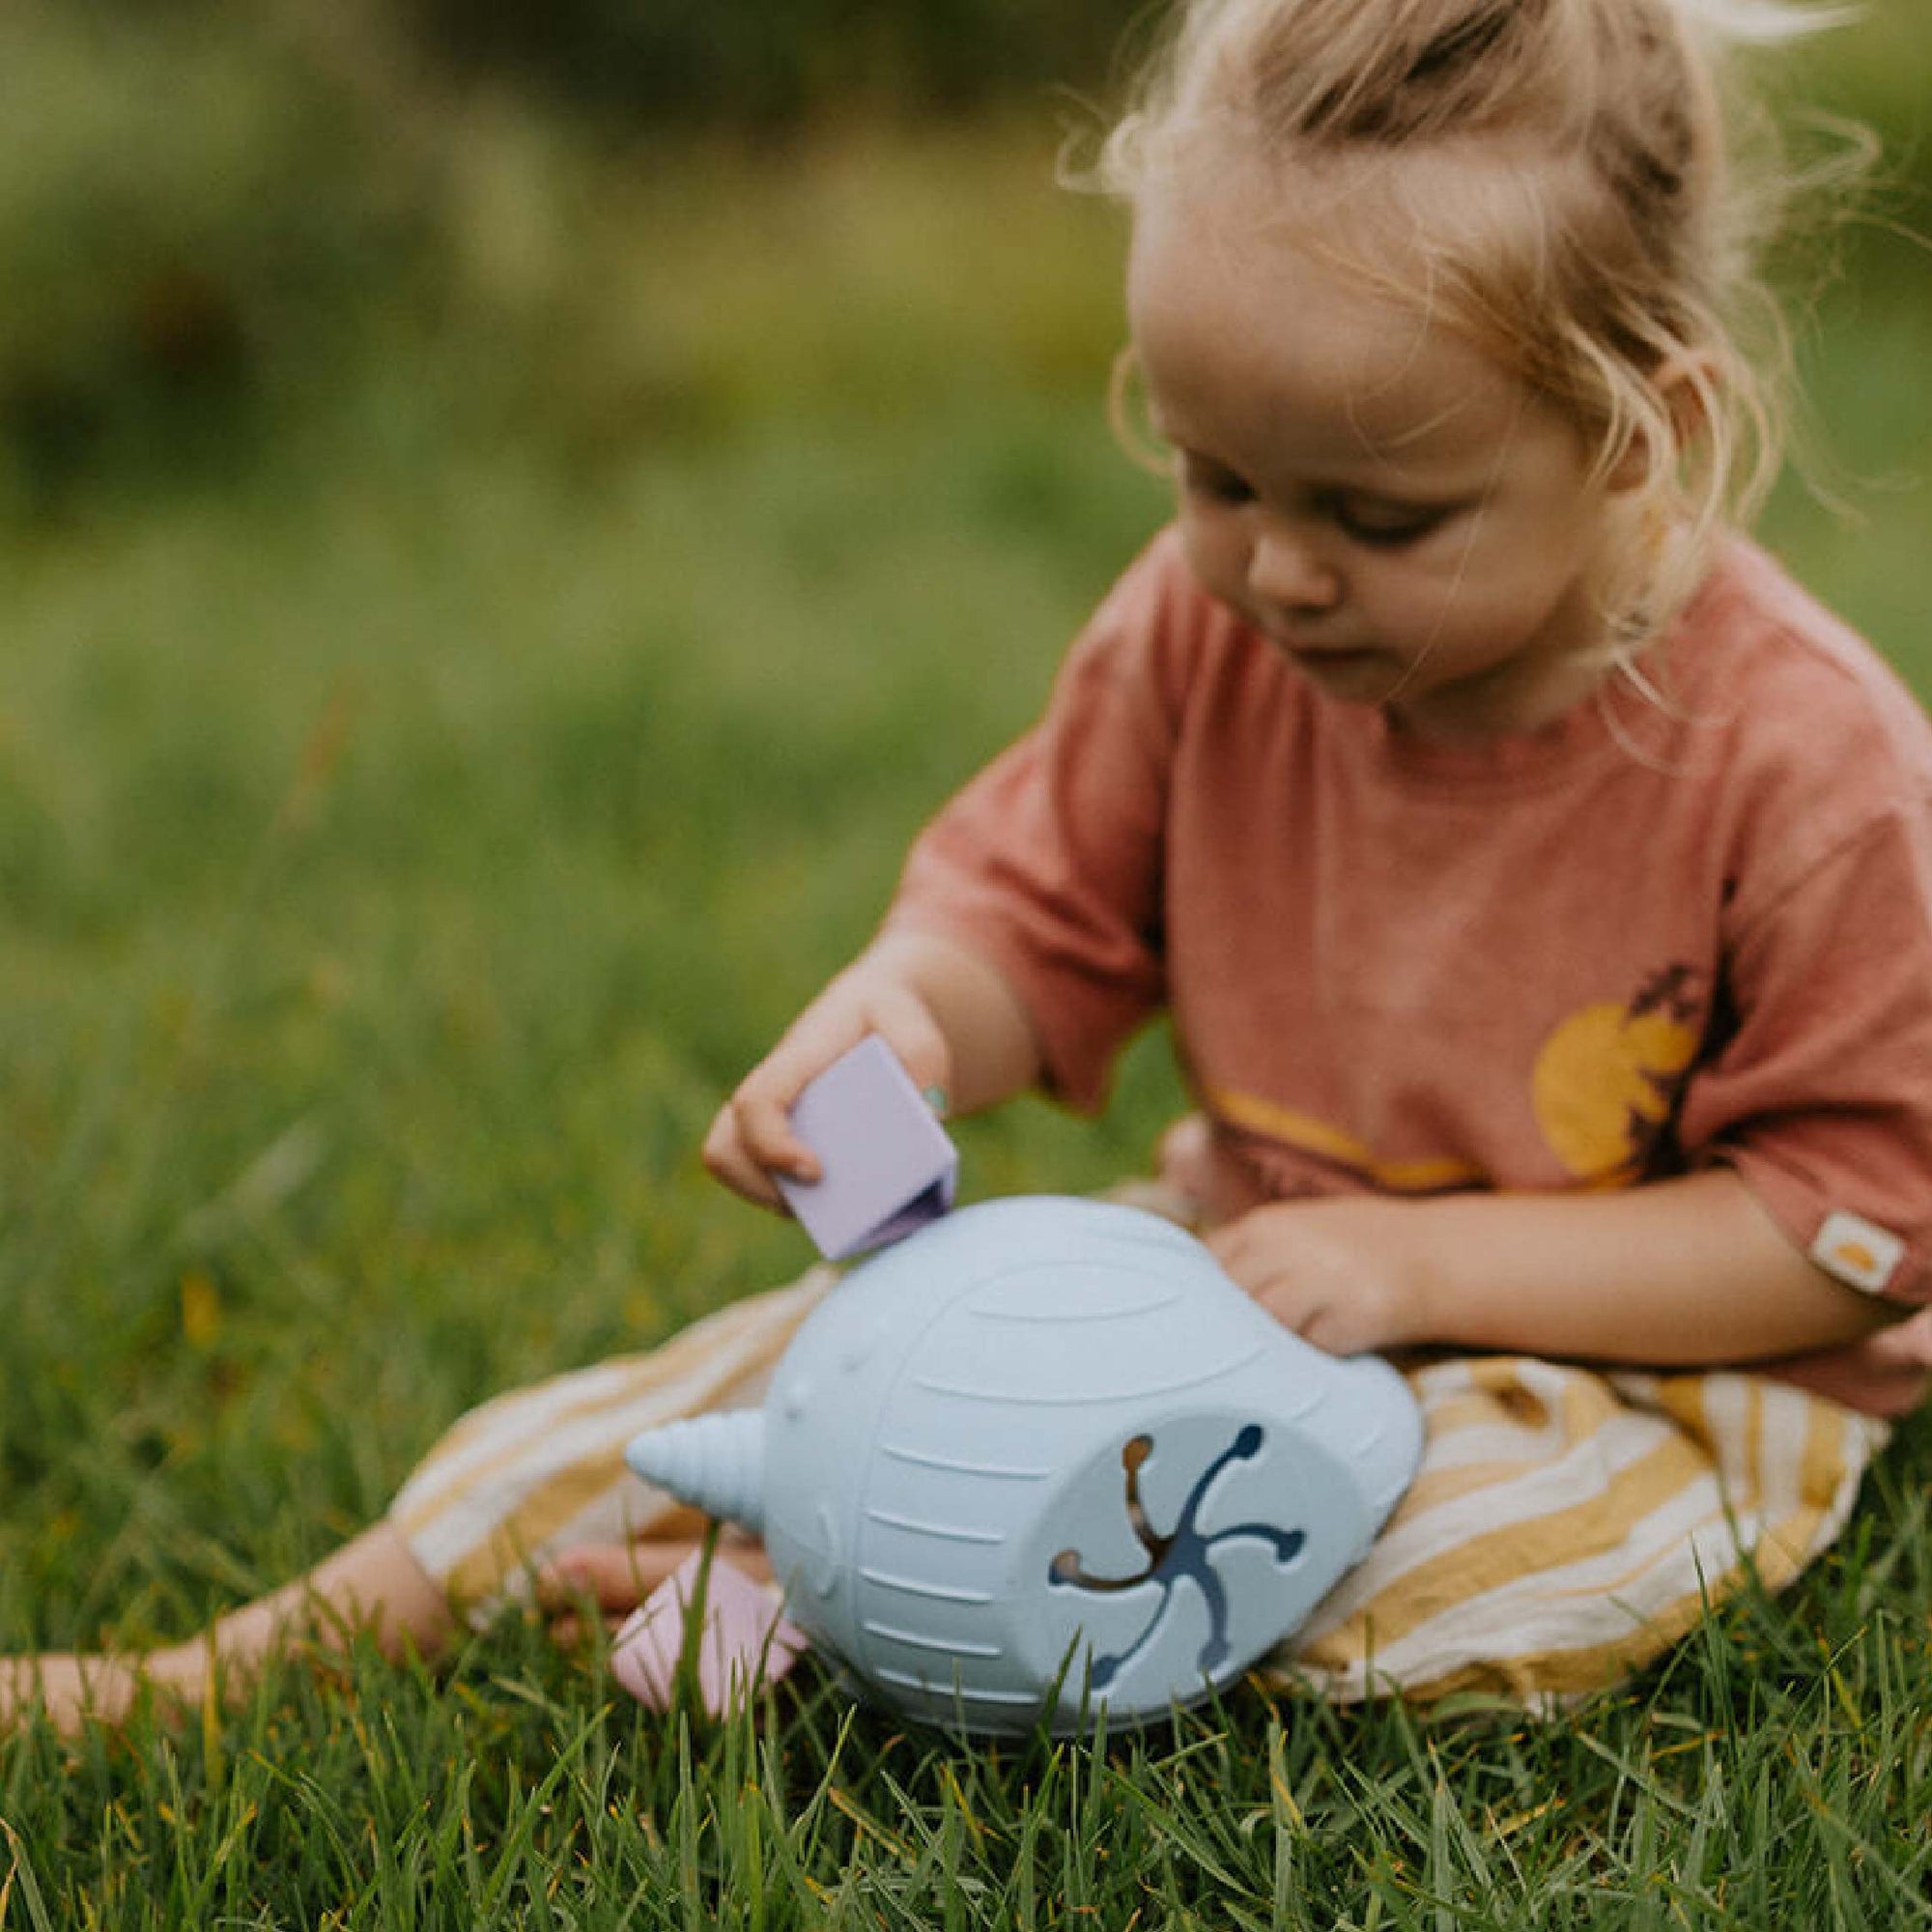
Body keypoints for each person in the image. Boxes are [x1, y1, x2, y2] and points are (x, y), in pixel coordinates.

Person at [11, 0, 1930, 1730]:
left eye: (1379, 513)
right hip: (1237, 1280)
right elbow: (1034, 923)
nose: (1277, 568)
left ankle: (828, 1614)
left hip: (1654, 1369)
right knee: (740, 1382)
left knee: (1440, 1554)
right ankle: (234, 1662)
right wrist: (901, 1027)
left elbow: (1852, 1226)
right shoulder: (1209, 646)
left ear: (1636, 429)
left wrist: (1417, 1260)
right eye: (1214, 479)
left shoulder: (1806, 766)